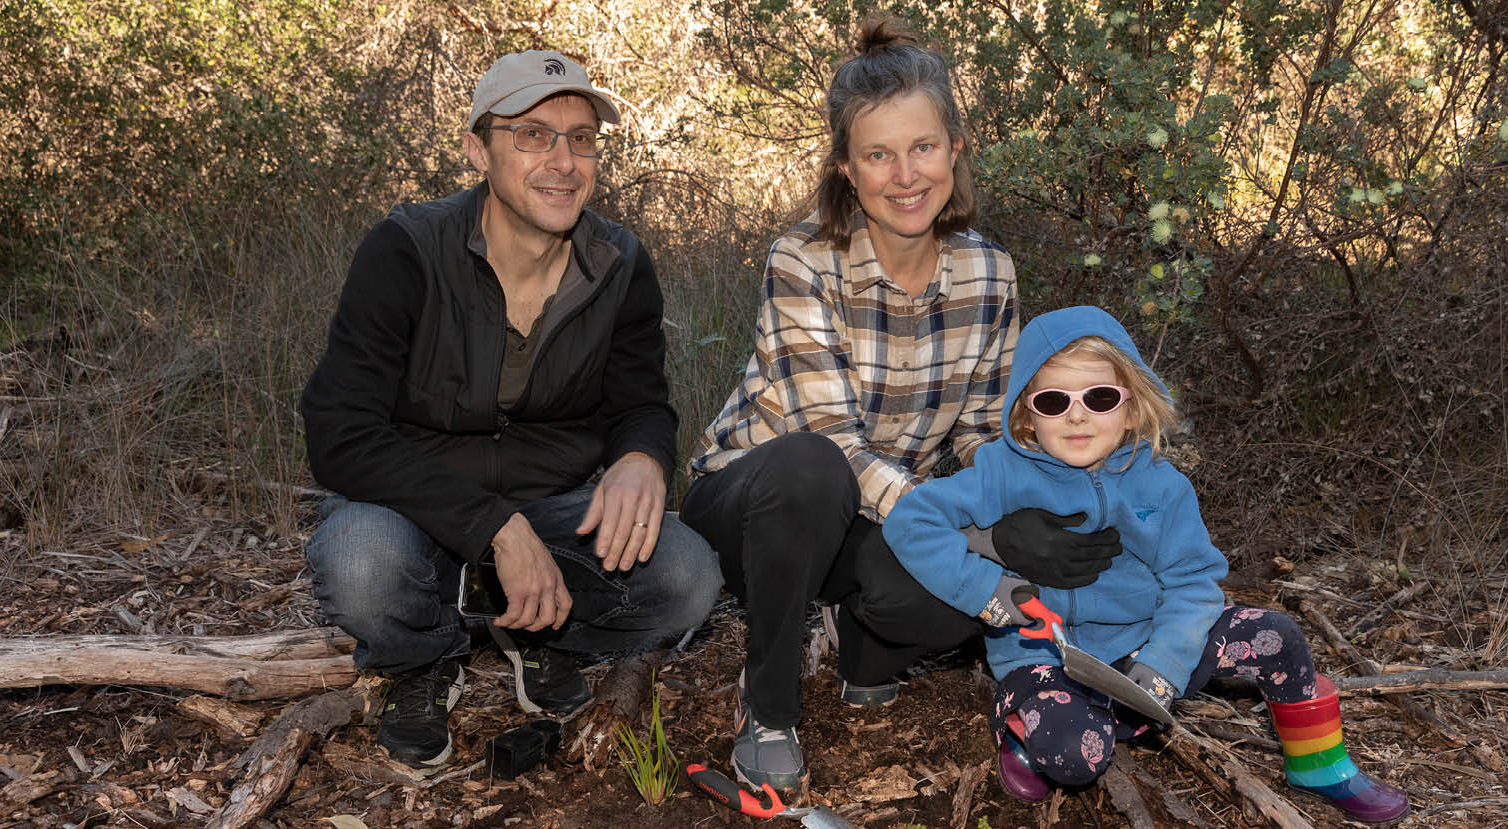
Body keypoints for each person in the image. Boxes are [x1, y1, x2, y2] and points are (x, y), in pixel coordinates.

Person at [680, 17, 1122, 794]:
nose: (905, 174)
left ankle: (867, 645)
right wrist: (963, 528)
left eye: (922, 147)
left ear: (955, 147)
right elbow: (836, 446)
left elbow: (987, 430)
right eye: (878, 155)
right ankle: (770, 702)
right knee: (819, 472)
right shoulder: (804, 260)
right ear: (847, 168)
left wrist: (1022, 510)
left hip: (880, 506)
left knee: (968, 581)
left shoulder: (990, 273)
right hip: (758, 496)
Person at [300, 50, 720, 768]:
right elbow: (338, 431)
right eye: (532, 134)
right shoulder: (407, 250)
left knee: (690, 578)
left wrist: (643, 457)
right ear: (477, 146)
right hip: (412, 506)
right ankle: (425, 656)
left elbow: (641, 403)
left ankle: (533, 629)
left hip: (556, 506)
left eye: (581, 137)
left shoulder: (618, 265)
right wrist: (492, 526)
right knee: (361, 562)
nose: (563, 160)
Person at [884, 306, 1410, 824]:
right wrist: (987, 590)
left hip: (1145, 644)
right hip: (1044, 654)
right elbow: (911, 521)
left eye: (1100, 396)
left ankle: (1320, 764)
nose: (1077, 415)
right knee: (1077, 759)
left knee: (1277, 634)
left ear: (1131, 407)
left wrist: (1164, 665)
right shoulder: (998, 473)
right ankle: (1026, 722)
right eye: (1053, 400)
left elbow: (1194, 584)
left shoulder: (1161, 485)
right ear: (1025, 413)